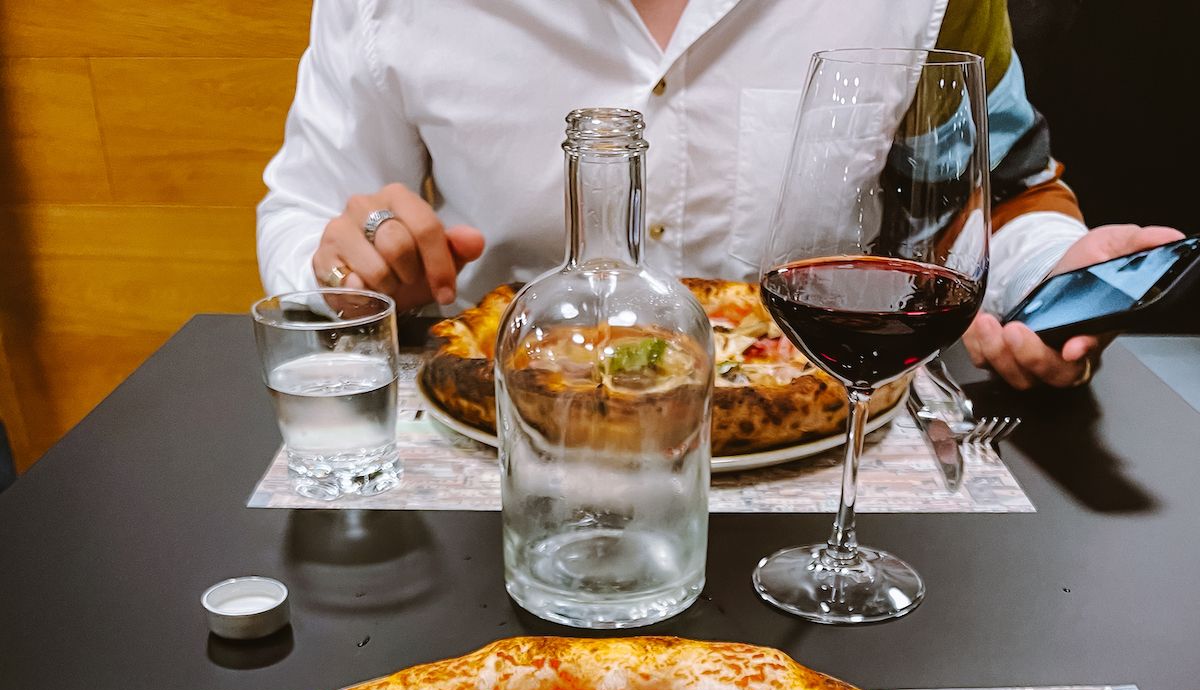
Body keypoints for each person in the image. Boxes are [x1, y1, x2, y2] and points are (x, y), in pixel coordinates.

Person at [257, 0, 1180, 390]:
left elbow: (1007, 198)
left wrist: (1051, 274)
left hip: (825, 437)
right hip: (506, 441)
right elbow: (305, 210)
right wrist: (347, 260)